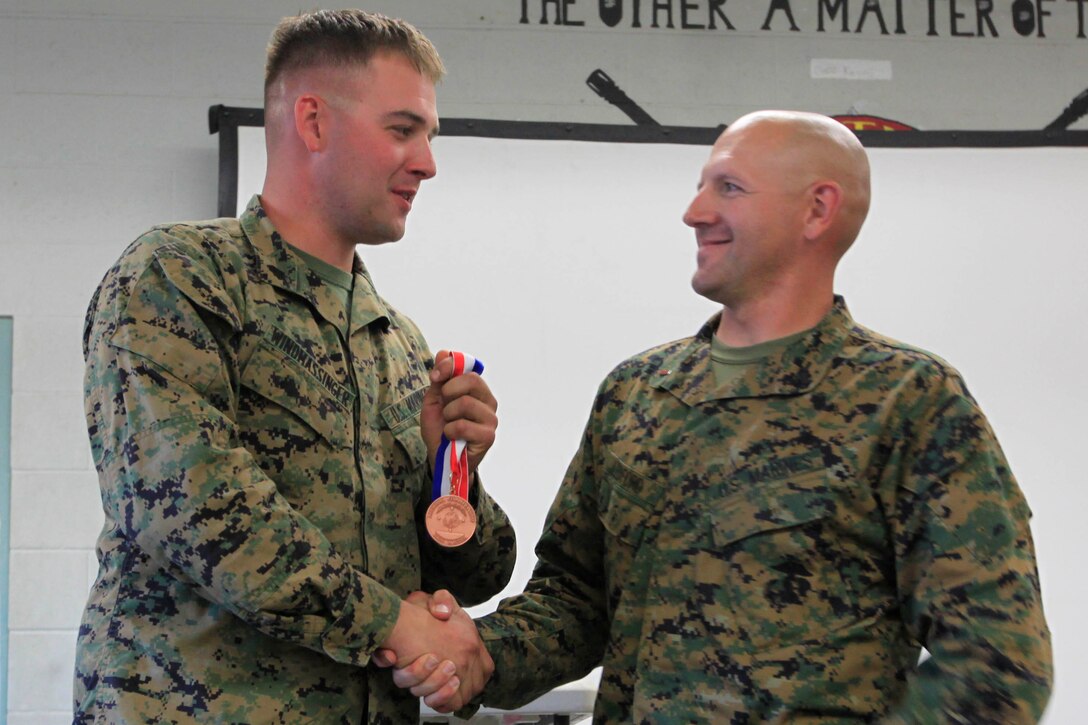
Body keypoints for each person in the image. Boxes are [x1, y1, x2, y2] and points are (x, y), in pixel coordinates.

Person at [387, 110, 1054, 722]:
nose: (694, 211)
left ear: (817, 209)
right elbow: (576, 602)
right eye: (701, 186)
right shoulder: (637, 393)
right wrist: (478, 652)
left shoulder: (910, 402)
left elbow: (998, 662)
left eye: (728, 188)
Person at [74, 9, 514, 723]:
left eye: (429, 137)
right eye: (403, 130)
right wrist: (392, 624)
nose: (428, 162)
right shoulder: (180, 277)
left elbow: (473, 574)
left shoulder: (398, 343)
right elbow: (198, 508)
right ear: (313, 122)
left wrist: (452, 472)